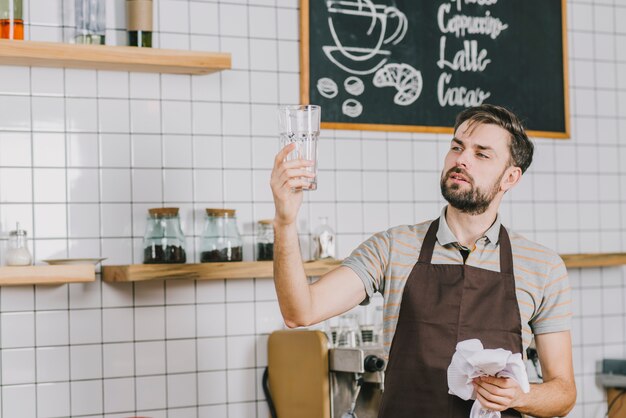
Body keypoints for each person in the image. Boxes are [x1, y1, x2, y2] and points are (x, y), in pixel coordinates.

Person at [269, 104, 576, 417]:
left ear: (510, 177)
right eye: (457, 147)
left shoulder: (542, 267)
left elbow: (563, 393)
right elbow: (299, 311)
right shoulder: (393, 248)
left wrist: (519, 396)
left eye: (481, 154)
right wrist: (285, 220)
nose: (461, 159)